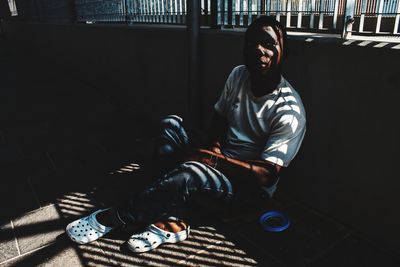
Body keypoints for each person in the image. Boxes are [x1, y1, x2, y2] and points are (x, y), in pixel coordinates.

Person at [65, 16, 306, 253]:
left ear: (284, 51)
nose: (258, 50)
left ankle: (115, 217)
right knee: (171, 124)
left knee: (191, 172)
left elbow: (267, 175)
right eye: (251, 43)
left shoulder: (287, 108)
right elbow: (220, 116)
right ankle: (173, 217)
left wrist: (213, 161)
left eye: (269, 44)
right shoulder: (239, 75)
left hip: (248, 190)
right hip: (221, 159)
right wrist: (214, 147)